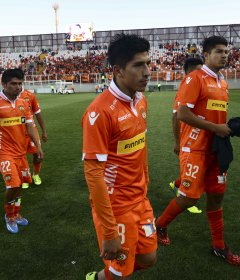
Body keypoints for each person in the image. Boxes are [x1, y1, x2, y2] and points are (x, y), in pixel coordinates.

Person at [155, 36, 240, 266]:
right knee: (189, 197)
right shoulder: (195, 79)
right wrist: (216, 128)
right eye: (218, 51)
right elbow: (182, 114)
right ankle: (160, 225)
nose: (224, 55)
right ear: (206, 54)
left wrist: (231, 127)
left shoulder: (223, 82)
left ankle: (219, 245)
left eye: (226, 51)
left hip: (217, 150)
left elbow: (217, 114)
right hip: (195, 148)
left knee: (216, 196)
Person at [82, 33, 157, 280]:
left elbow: (140, 147)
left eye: (147, 63)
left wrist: (145, 181)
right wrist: (109, 230)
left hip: (139, 198)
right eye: (138, 65)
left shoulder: (141, 100)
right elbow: (93, 174)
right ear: (117, 70)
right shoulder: (100, 112)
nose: (147, 71)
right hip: (116, 207)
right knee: (119, 273)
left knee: (148, 258)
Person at [0, 68, 44, 234]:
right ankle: (9, 216)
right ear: (4, 84)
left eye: (20, 84)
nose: (18, 87)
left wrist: (38, 147)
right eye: (14, 84)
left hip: (21, 153)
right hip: (4, 154)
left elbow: (30, 127)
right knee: (13, 185)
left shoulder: (23, 103)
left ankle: (16, 213)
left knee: (21, 186)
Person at [171, 57, 204, 214]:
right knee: (190, 174)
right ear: (189, 71)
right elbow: (176, 116)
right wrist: (177, 142)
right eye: (198, 70)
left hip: (197, 138)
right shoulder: (185, 88)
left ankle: (176, 185)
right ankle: (185, 198)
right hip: (188, 140)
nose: (201, 73)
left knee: (195, 172)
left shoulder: (196, 86)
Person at [20, 89, 48, 188]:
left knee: (37, 154)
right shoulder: (10, 96)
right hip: (18, 132)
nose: (17, 85)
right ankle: (25, 178)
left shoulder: (30, 95)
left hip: (31, 129)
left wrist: (44, 131)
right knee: (21, 156)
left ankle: (36, 174)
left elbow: (38, 113)